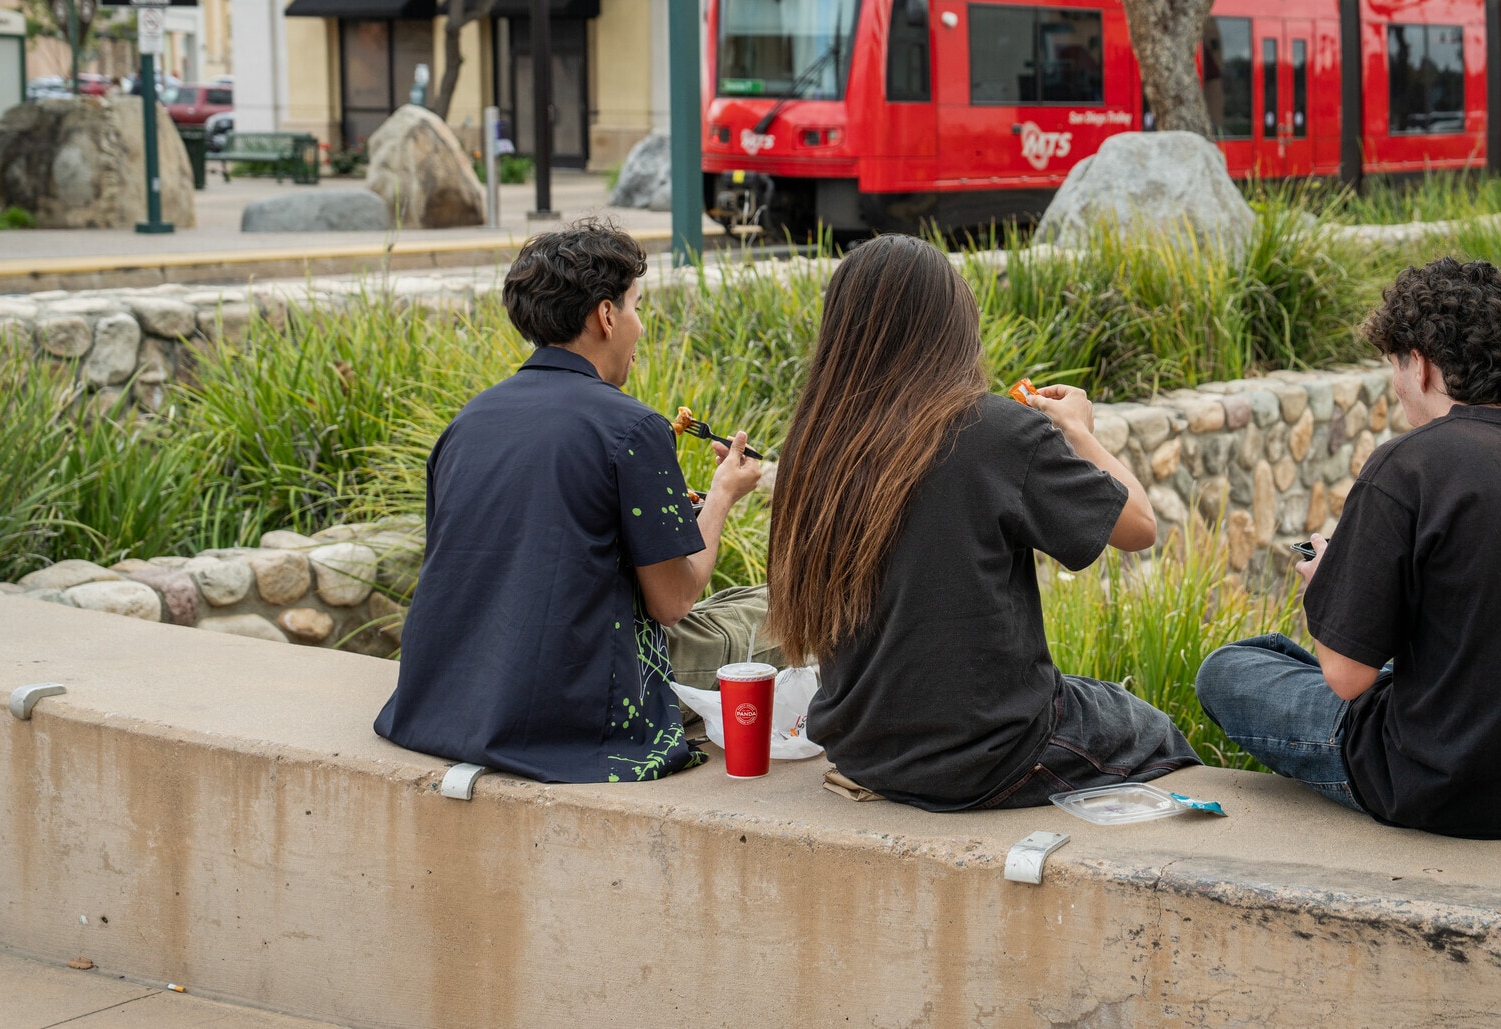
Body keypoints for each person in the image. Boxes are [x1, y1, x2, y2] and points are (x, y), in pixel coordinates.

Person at [1196, 257, 1501, 839]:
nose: (1395, 383)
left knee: (1232, 666)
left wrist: (1327, 584)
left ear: (1424, 363)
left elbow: (1344, 678)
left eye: (1395, 363)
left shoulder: (1408, 464)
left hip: (1442, 786)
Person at [769, 235, 1197, 811]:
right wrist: (1079, 431)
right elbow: (1139, 526)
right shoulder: (997, 432)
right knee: (1151, 729)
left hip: (862, 750)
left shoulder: (815, 443)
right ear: (950, 326)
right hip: (988, 756)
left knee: (1096, 701)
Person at [374, 218, 776, 783]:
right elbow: (673, 601)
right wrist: (723, 496)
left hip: (451, 701)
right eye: (637, 307)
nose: (640, 328)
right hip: (580, 708)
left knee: (747, 603)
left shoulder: (468, 422)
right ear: (606, 316)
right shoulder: (632, 427)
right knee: (798, 609)